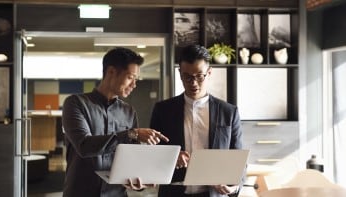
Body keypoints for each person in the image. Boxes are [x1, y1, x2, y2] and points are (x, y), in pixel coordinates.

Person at [62, 47, 169, 197]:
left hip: (117, 193)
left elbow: (131, 158)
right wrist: (132, 134)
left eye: (136, 79)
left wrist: (140, 180)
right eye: (130, 77)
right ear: (111, 72)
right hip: (80, 192)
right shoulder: (75, 103)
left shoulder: (129, 111)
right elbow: (84, 146)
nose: (134, 85)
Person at [150, 45, 244, 197]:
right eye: (187, 76)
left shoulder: (229, 112)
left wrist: (233, 188)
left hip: (213, 193)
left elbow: (239, 159)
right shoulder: (163, 110)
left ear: (209, 72)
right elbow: (152, 154)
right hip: (174, 193)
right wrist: (171, 156)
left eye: (199, 76)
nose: (193, 83)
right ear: (180, 73)